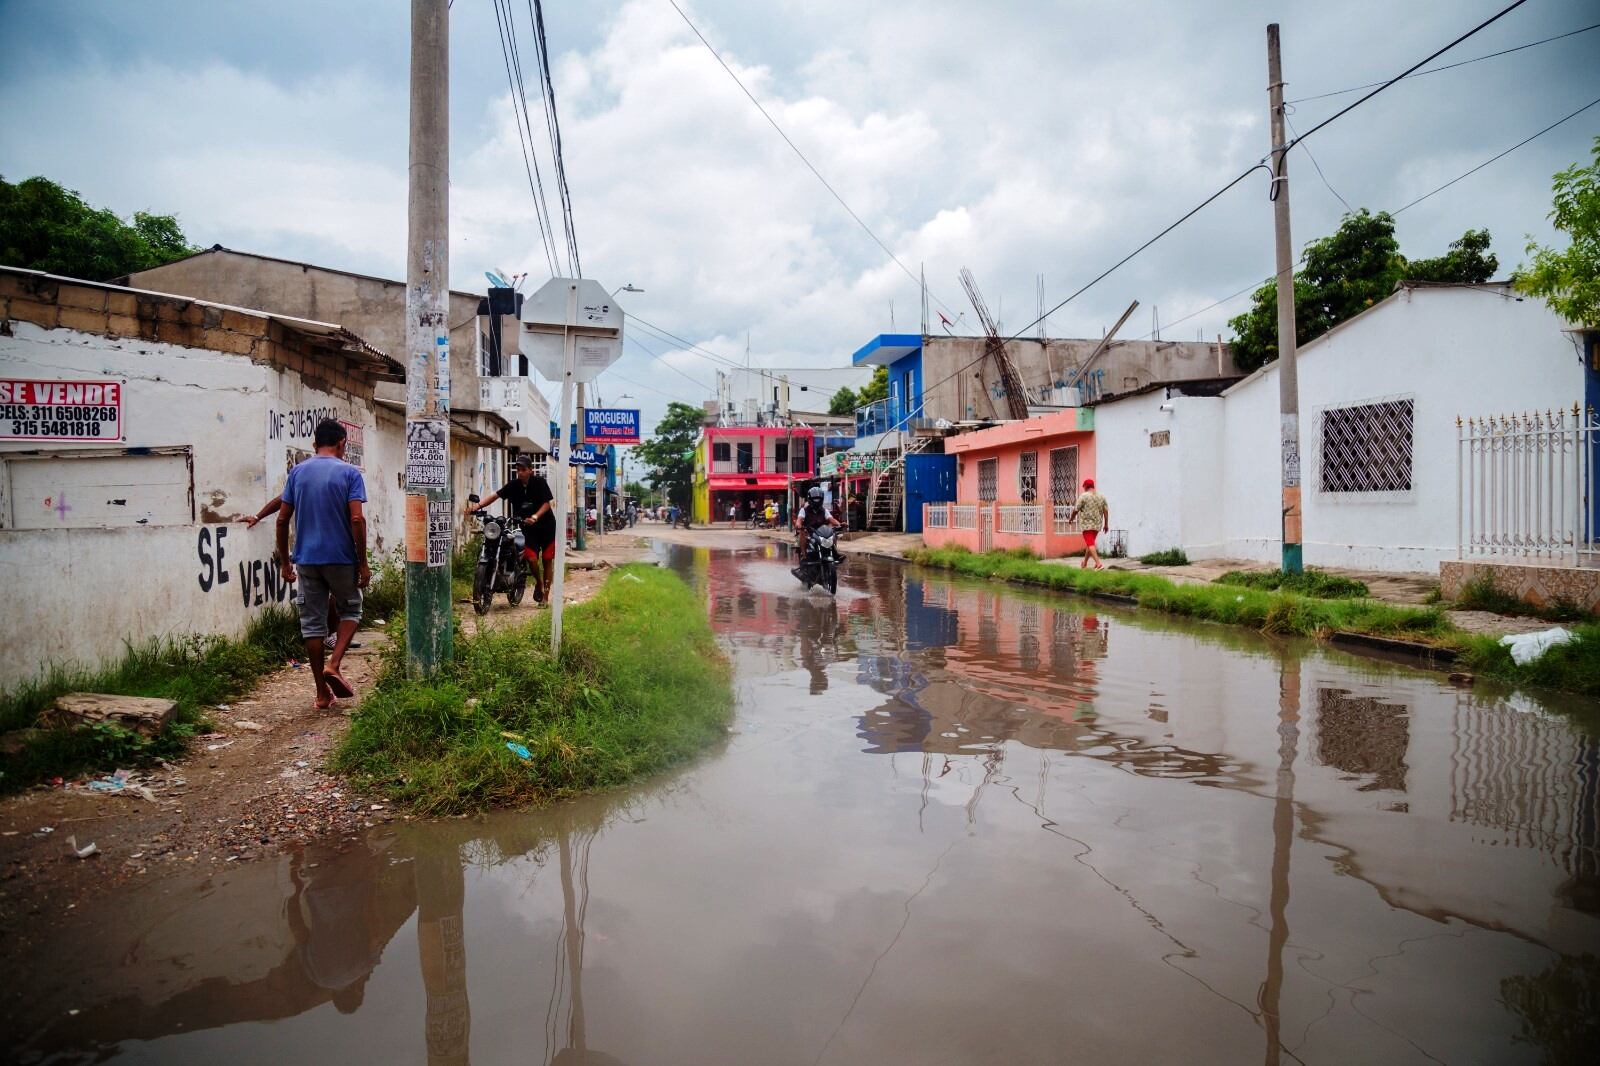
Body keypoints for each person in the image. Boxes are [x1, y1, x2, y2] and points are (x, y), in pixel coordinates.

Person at [276, 419, 369, 709]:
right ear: (341, 443)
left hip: (306, 559)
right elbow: (357, 519)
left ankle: (320, 693)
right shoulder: (349, 473)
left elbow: (281, 519)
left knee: (312, 626)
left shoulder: (297, 472)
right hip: (340, 558)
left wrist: (284, 561)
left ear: (316, 442)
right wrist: (362, 562)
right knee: (352, 608)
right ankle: (335, 664)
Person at [243, 493, 352, 651]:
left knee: (330, 598)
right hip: (321, 550)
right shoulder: (309, 479)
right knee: (332, 601)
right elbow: (283, 502)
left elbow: (282, 509)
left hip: (319, 550)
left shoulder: (330, 479)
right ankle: (331, 639)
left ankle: (333, 636)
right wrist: (257, 516)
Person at [467, 455, 556, 604]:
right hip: (528, 528)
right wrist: (477, 506)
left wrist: (535, 517)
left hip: (546, 526)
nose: (520, 473)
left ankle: (545, 597)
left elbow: (547, 504)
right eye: (518, 470)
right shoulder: (513, 485)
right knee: (532, 559)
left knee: (547, 559)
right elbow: (495, 496)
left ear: (530, 470)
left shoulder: (539, 482)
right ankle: (539, 583)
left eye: (523, 470)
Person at [794, 484, 841, 558]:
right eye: (815, 498)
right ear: (810, 499)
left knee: (833, 533)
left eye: (818, 498)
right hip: (809, 532)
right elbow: (799, 519)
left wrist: (839, 524)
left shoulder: (824, 510)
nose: (817, 500)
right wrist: (799, 525)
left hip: (821, 532)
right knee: (802, 533)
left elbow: (831, 519)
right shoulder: (804, 510)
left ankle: (834, 551)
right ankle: (805, 555)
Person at [1073, 478, 1110, 570]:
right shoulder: (1101, 496)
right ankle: (1084, 563)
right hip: (1097, 524)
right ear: (1093, 486)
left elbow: (1076, 509)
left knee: (1090, 544)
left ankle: (1098, 564)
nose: (1084, 488)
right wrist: (1106, 524)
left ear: (1086, 486)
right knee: (1090, 544)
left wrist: (1071, 518)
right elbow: (1105, 511)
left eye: (1084, 486)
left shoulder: (1084, 496)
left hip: (1087, 524)